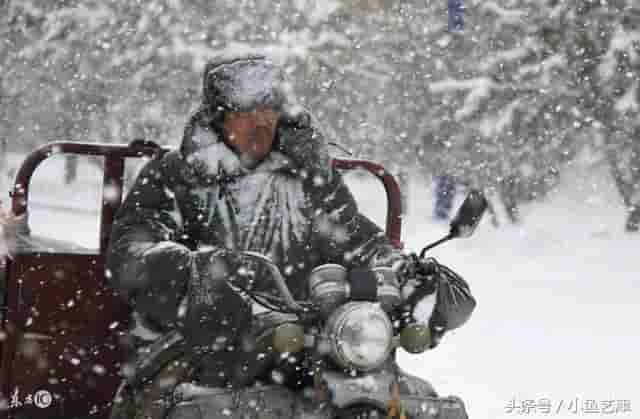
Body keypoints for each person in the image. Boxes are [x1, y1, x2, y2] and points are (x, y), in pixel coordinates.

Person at [105, 54, 476, 419]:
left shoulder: (308, 181)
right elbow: (131, 256)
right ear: (218, 119)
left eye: (269, 112)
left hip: (309, 342)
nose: (260, 123)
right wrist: (196, 271)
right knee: (181, 405)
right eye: (246, 113)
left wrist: (403, 272)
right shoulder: (174, 176)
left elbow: (356, 239)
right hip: (200, 347)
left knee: (402, 398)